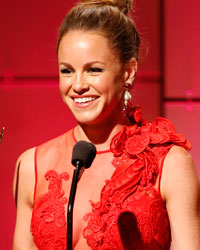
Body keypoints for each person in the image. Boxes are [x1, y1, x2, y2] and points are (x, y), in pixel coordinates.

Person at [13, 0, 200, 249]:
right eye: (67, 71)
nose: (77, 85)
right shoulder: (31, 166)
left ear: (129, 72)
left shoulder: (169, 164)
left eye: (94, 70)